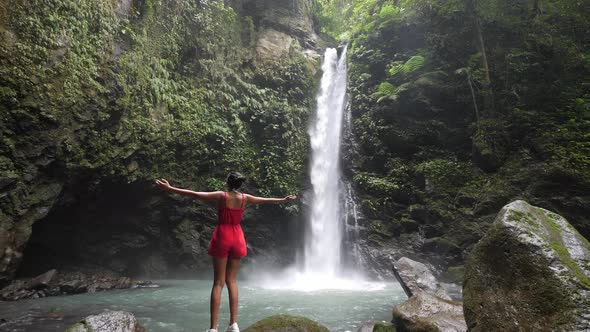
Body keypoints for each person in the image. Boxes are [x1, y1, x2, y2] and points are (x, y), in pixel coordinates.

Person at [155, 171, 297, 332]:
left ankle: (213, 328)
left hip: (223, 236)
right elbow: (265, 200)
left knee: (218, 283)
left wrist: (170, 188)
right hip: (238, 238)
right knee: (232, 281)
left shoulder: (222, 196)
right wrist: (283, 199)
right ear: (240, 184)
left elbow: (194, 194)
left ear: (228, 183)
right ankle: (233, 324)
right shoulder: (245, 198)